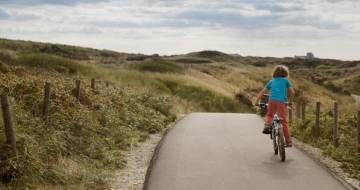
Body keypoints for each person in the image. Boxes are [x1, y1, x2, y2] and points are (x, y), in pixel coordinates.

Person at [254, 65, 295, 147]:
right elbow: (292, 92)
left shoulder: (272, 81)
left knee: (270, 115)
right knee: (283, 121)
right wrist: (289, 102)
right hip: (281, 102)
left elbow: (262, 92)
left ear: (274, 73)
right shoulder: (286, 81)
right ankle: (288, 141)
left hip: (272, 100)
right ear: (285, 73)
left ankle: (267, 126)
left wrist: (256, 102)